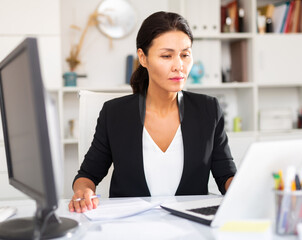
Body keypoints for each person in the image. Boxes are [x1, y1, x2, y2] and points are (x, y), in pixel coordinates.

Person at [69, 11, 237, 213]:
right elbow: (87, 175)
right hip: (130, 226)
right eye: (167, 56)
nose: (179, 66)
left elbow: (226, 175)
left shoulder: (208, 110)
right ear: (143, 58)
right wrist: (83, 192)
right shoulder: (115, 113)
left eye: (185, 55)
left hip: (190, 228)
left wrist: (244, 188)